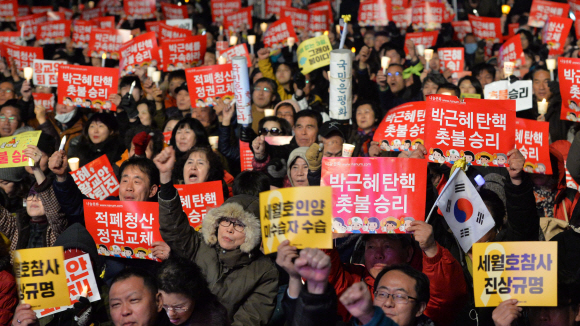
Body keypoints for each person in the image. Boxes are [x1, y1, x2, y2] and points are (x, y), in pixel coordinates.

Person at [154, 148, 279, 326]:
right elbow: (174, 228)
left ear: (254, 234)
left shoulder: (265, 272)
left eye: (239, 225)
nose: (229, 229)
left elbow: (250, 319)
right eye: (225, 221)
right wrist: (165, 181)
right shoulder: (200, 244)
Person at [0, 145, 66, 254]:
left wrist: (36, 168)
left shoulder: (58, 227)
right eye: (31, 195)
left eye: (40, 197)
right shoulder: (17, 226)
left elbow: (51, 204)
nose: (34, 199)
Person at [157, 256, 230, 326]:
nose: (170, 314)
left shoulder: (211, 321)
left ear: (196, 295)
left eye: (178, 307)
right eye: (165, 305)